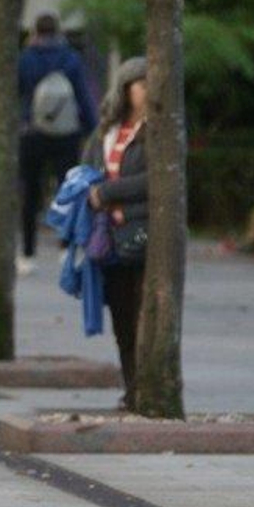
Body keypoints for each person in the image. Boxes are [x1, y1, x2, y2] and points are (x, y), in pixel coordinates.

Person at [81, 56, 149, 410]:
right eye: (142, 84)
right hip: (109, 238)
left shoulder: (159, 131)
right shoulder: (106, 130)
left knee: (142, 315)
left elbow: (156, 180)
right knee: (122, 316)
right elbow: (88, 169)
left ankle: (145, 387)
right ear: (126, 88)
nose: (148, 91)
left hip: (143, 234)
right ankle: (131, 386)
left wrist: (108, 192)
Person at [16, 12, 97, 273]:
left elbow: (17, 95)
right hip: (66, 133)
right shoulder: (70, 59)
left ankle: (28, 253)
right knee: (68, 191)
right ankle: (66, 248)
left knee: (30, 192)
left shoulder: (26, 59)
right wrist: (91, 129)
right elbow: (83, 95)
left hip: (33, 133)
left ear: (35, 32)